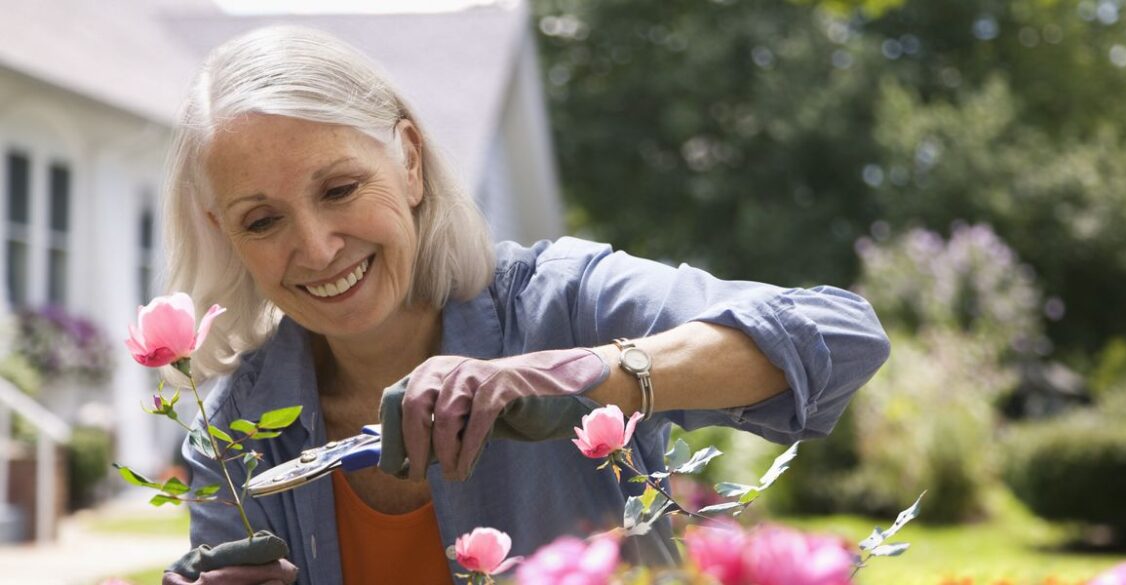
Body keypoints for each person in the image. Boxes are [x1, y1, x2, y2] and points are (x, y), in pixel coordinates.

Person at [162, 25, 890, 585]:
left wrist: (581, 375)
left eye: (340, 189)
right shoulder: (235, 431)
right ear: (226, 233)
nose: (317, 248)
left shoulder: (564, 302)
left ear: (409, 161)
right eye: (263, 221)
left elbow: (841, 336)